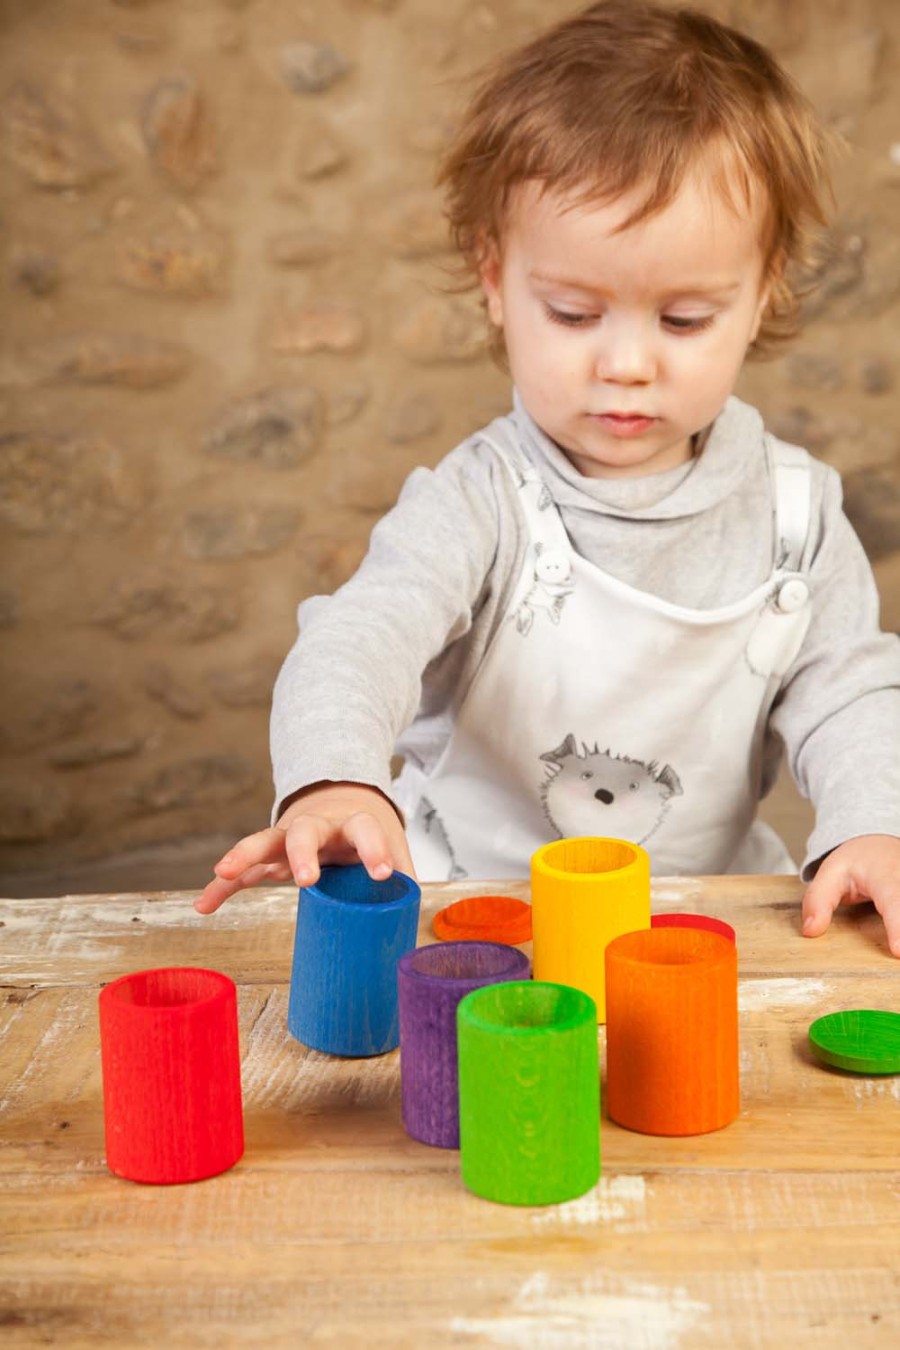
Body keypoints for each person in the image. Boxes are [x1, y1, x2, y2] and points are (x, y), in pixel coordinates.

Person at [196, 1, 900, 953]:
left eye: (684, 319)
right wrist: (335, 776)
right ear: (496, 280)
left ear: (765, 287)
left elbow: (852, 697)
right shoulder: (479, 501)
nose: (626, 364)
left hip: (693, 926)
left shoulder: (796, 515)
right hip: (474, 915)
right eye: (573, 312)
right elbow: (361, 637)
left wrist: (874, 822)